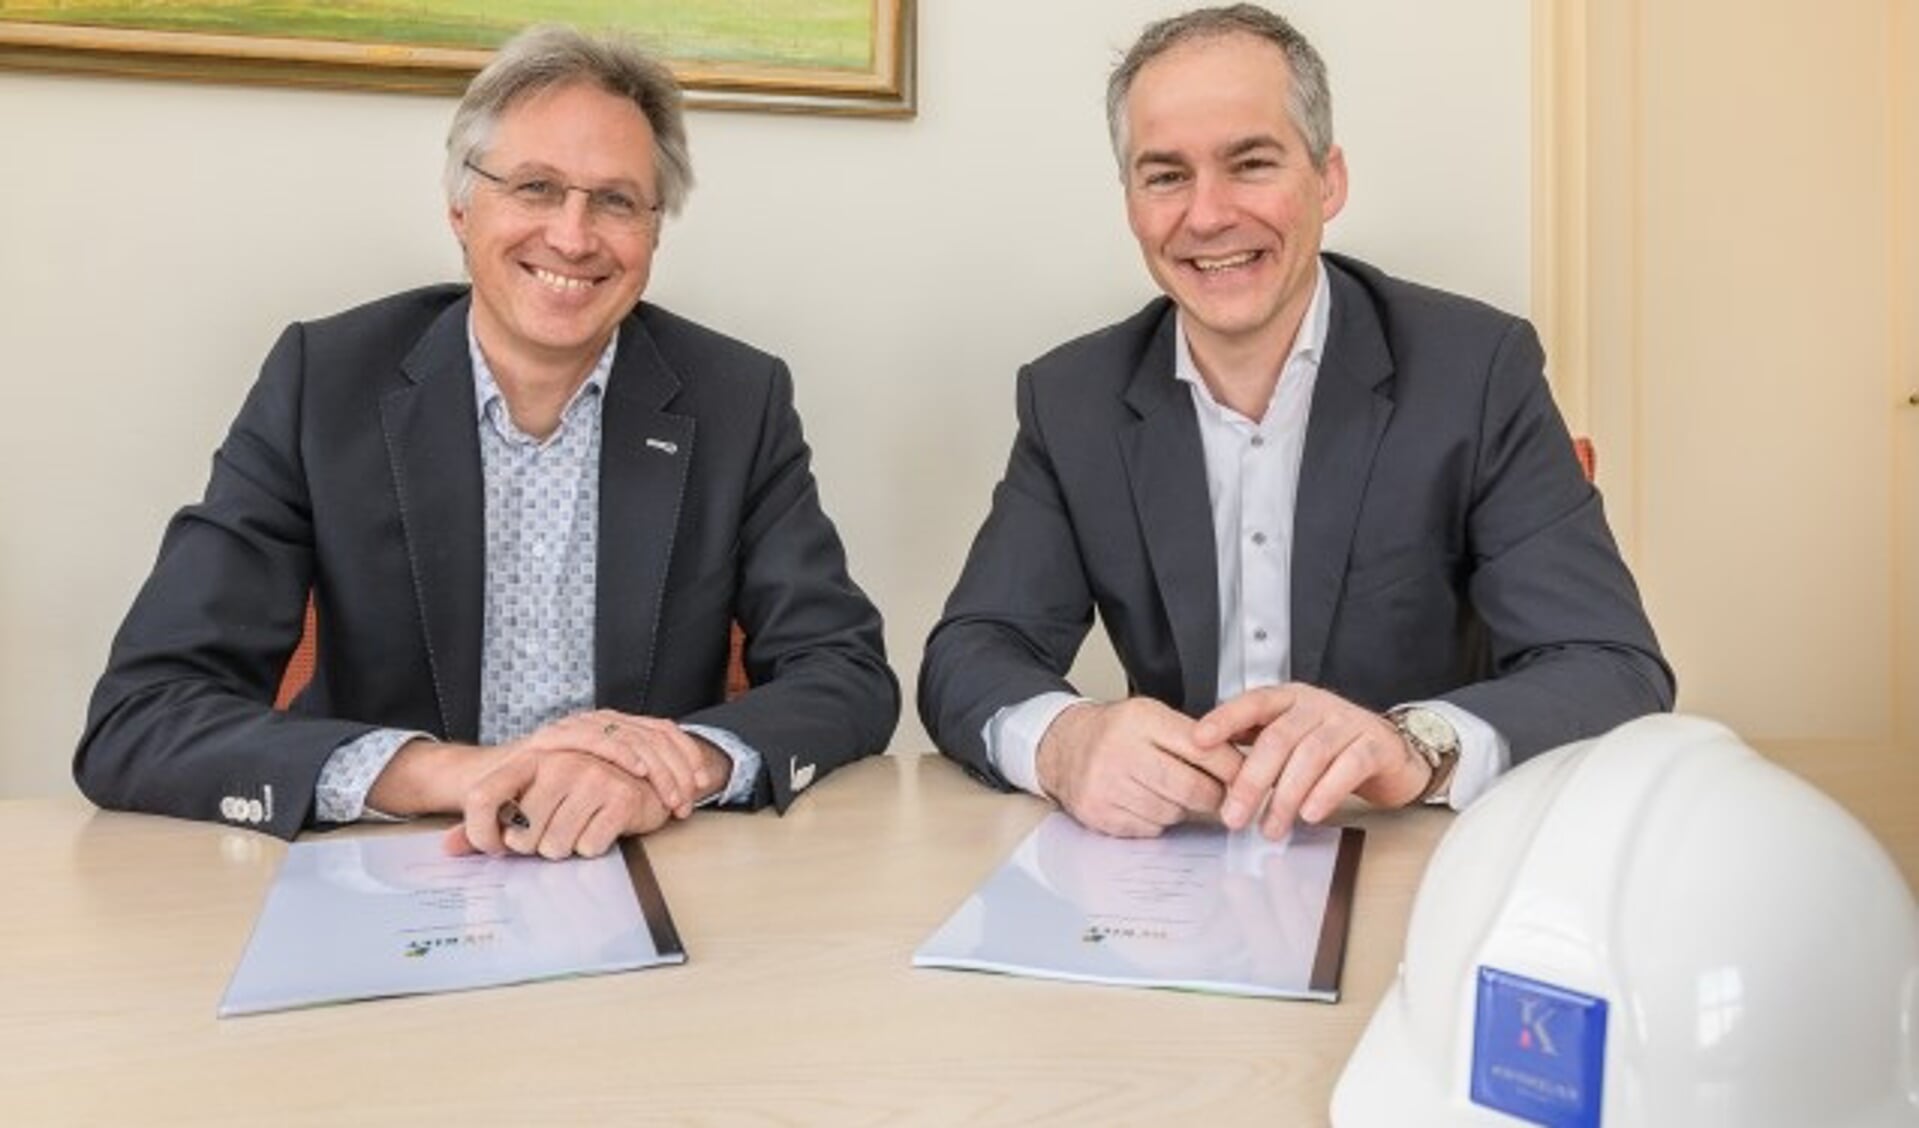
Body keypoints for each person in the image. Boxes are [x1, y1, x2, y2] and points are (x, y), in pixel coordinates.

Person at [76, 26, 898, 858]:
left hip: (639, 858)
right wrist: (460, 775)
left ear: (654, 232)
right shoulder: (323, 383)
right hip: (386, 867)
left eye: (615, 201)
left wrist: (672, 763)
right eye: (536, 187)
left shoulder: (736, 399)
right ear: (461, 208)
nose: (573, 238)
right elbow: (144, 712)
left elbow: (844, 671)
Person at [920, 4, 1672, 840]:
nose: (1206, 216)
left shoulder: (1476, 370)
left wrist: (1413, 743)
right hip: (1178, 870)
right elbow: (970, 653)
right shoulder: (1072, 399)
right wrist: (1065, 742)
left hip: (1414, 854)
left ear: (1328, 179)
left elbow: (1612, 667)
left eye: (1249, 163)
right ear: (1130, 199)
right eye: (1165, 175)